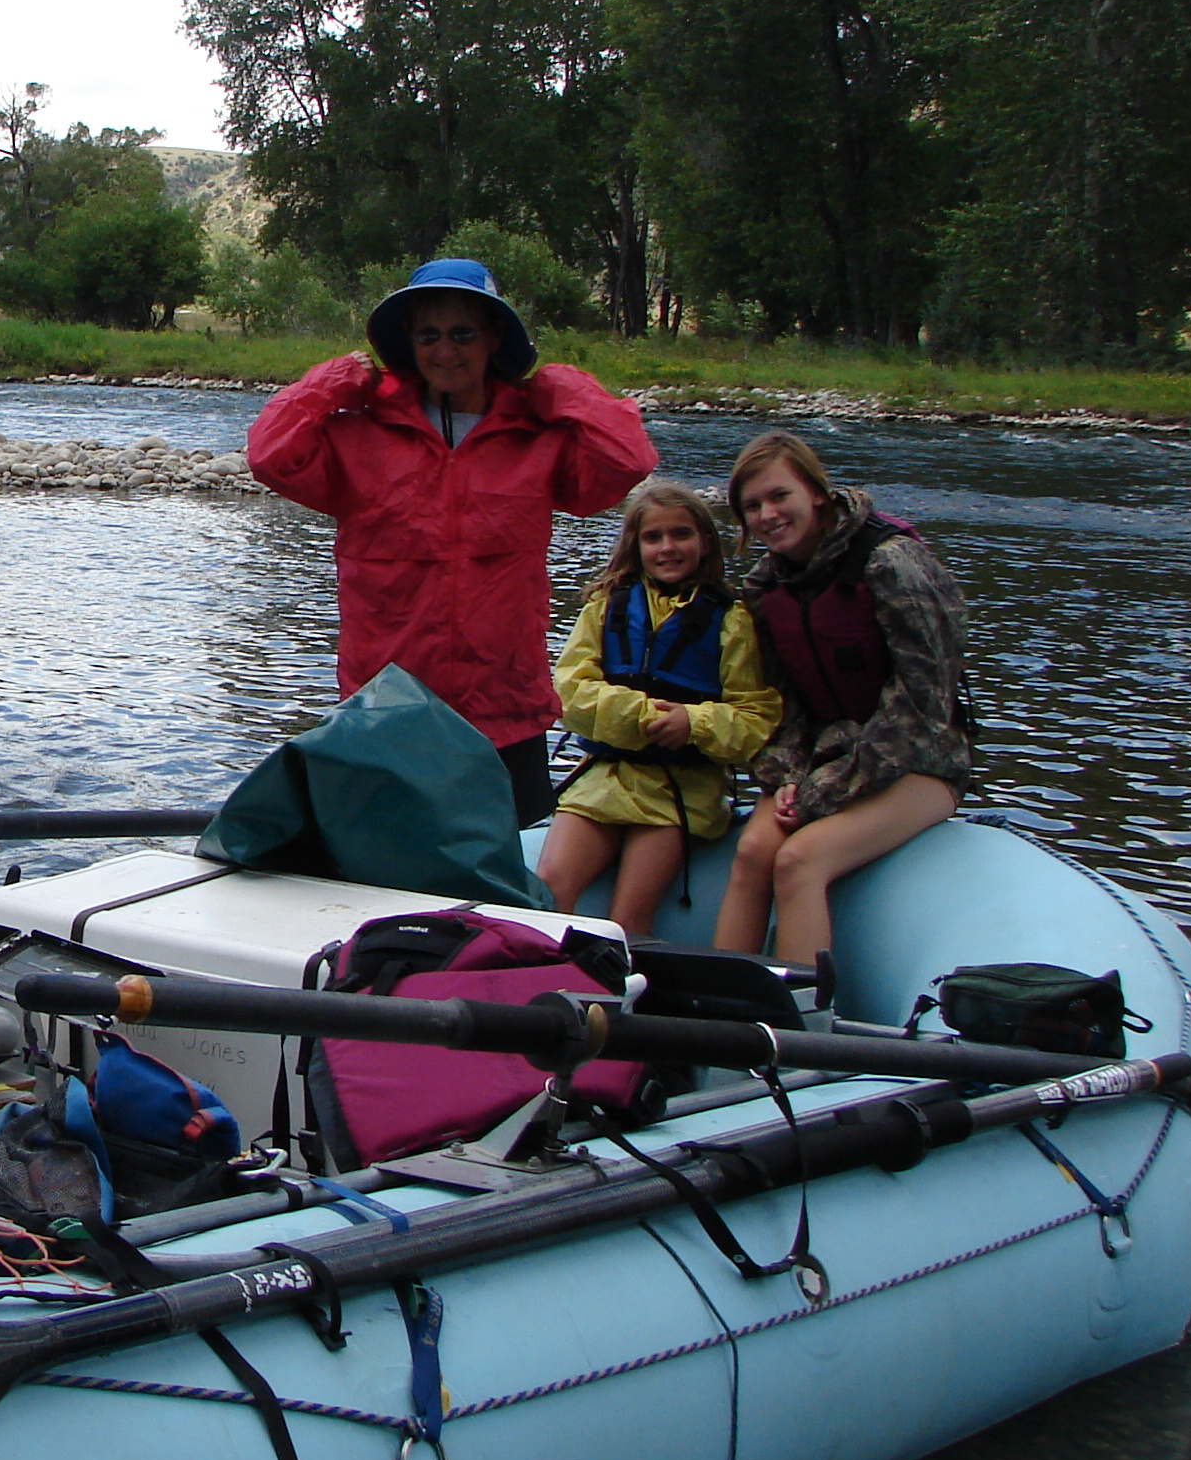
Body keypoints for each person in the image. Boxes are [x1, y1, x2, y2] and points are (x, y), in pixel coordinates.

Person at [246, 257, 656, 822]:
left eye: (463, 333)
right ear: (409, 344)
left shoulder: (538, 438)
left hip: (505, 712)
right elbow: (269, 454)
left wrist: (561, 385)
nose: (445, 350)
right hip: (385, 711)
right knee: (383, 884)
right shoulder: (356, 433)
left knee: (505, 889)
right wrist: (334, 378)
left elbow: (626, 459)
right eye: (428, 335)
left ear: (494, 339)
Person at [715, 430, 971, 968]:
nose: (767, 515)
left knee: (799, 861)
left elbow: (923, 706)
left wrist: (823, 792)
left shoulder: (893, 564)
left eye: (778, 496)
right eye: (752, 506)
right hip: (822, 761)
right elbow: (781, 702)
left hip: (920, 765)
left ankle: (803, 1033)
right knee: (754, 851)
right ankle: (718, 1018)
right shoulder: (766, 588)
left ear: (815, 491)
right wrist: (786, 774)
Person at [538, 481, 780, 936]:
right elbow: (570, 691)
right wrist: (643, 715)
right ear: (636, 545)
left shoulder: (732, 619)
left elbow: (755, 718)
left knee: (628, 917)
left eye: (681, 534)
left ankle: (618, 1001)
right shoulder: (606, 605)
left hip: (679, 792)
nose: (668, 547)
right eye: (653, 538)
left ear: (704, 542)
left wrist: (693, 721)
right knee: (548, 887)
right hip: (604, 780)